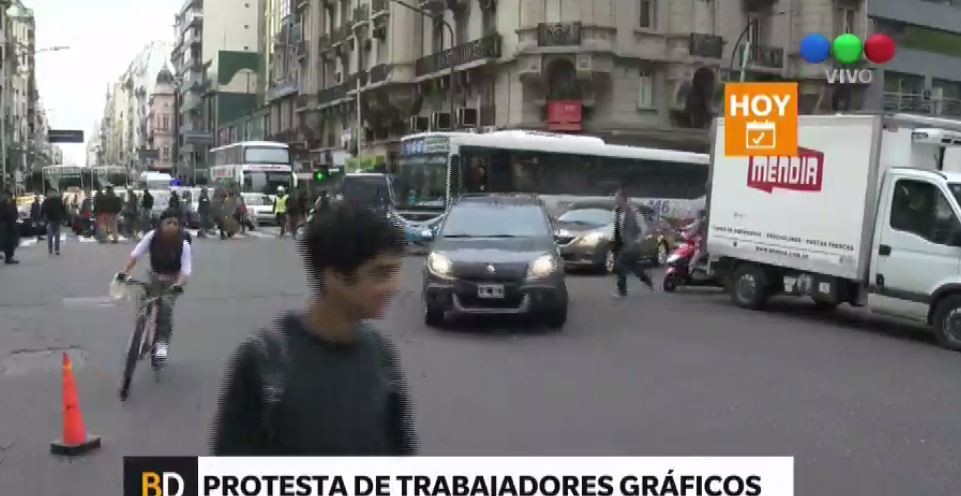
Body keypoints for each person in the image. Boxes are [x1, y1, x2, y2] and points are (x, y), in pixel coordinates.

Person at [211, 204, 416, 455]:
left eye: (395, 272)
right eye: (380, 274)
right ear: (334, 276)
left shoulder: (382, 355)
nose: (394, 286)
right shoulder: (264, 361)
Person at [115, 210, 192, 391]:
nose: (172, 226)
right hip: (154, 277)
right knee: (143, 300)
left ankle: (162, 343)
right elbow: (136, 254)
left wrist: (178, 285)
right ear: (162, 225)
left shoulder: (184, 244)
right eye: (168, 223)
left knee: (166, 306)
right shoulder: (152, 236)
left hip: (172, 280)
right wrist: (124, 272)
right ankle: (139, 332)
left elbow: (186, 271)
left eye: (175, 223)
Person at [611, 190, 654, 298]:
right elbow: (617, 228)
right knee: (633, 266)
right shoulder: (616, 212)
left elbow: (644, 229)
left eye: (618, 199)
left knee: (619, 264)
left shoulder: (635, 213)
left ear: (624, 200)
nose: (617, 201)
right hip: (621, 243)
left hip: (631, 244)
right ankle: (646, 278)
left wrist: (638, 240)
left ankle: (622, 291)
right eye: (616, 199)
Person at [41, 189, 67, 255]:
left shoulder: (49, 201)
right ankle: (55, 249)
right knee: (55, 235)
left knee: (52, 235)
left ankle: (52, 249)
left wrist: (41, 217)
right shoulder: (57, 200)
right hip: (54, 219)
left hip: (52, 219)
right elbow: (63, 209)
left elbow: (43, 209)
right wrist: (64, 217)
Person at [0, 190, 19, 264]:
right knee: (10, 241)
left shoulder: (2, 199)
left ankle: (8, 256)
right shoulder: (7, 200)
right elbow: (10, 212)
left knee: (5, 240)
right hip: (9, 223)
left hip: (4, 222)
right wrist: (14, 218)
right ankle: (9, 257)